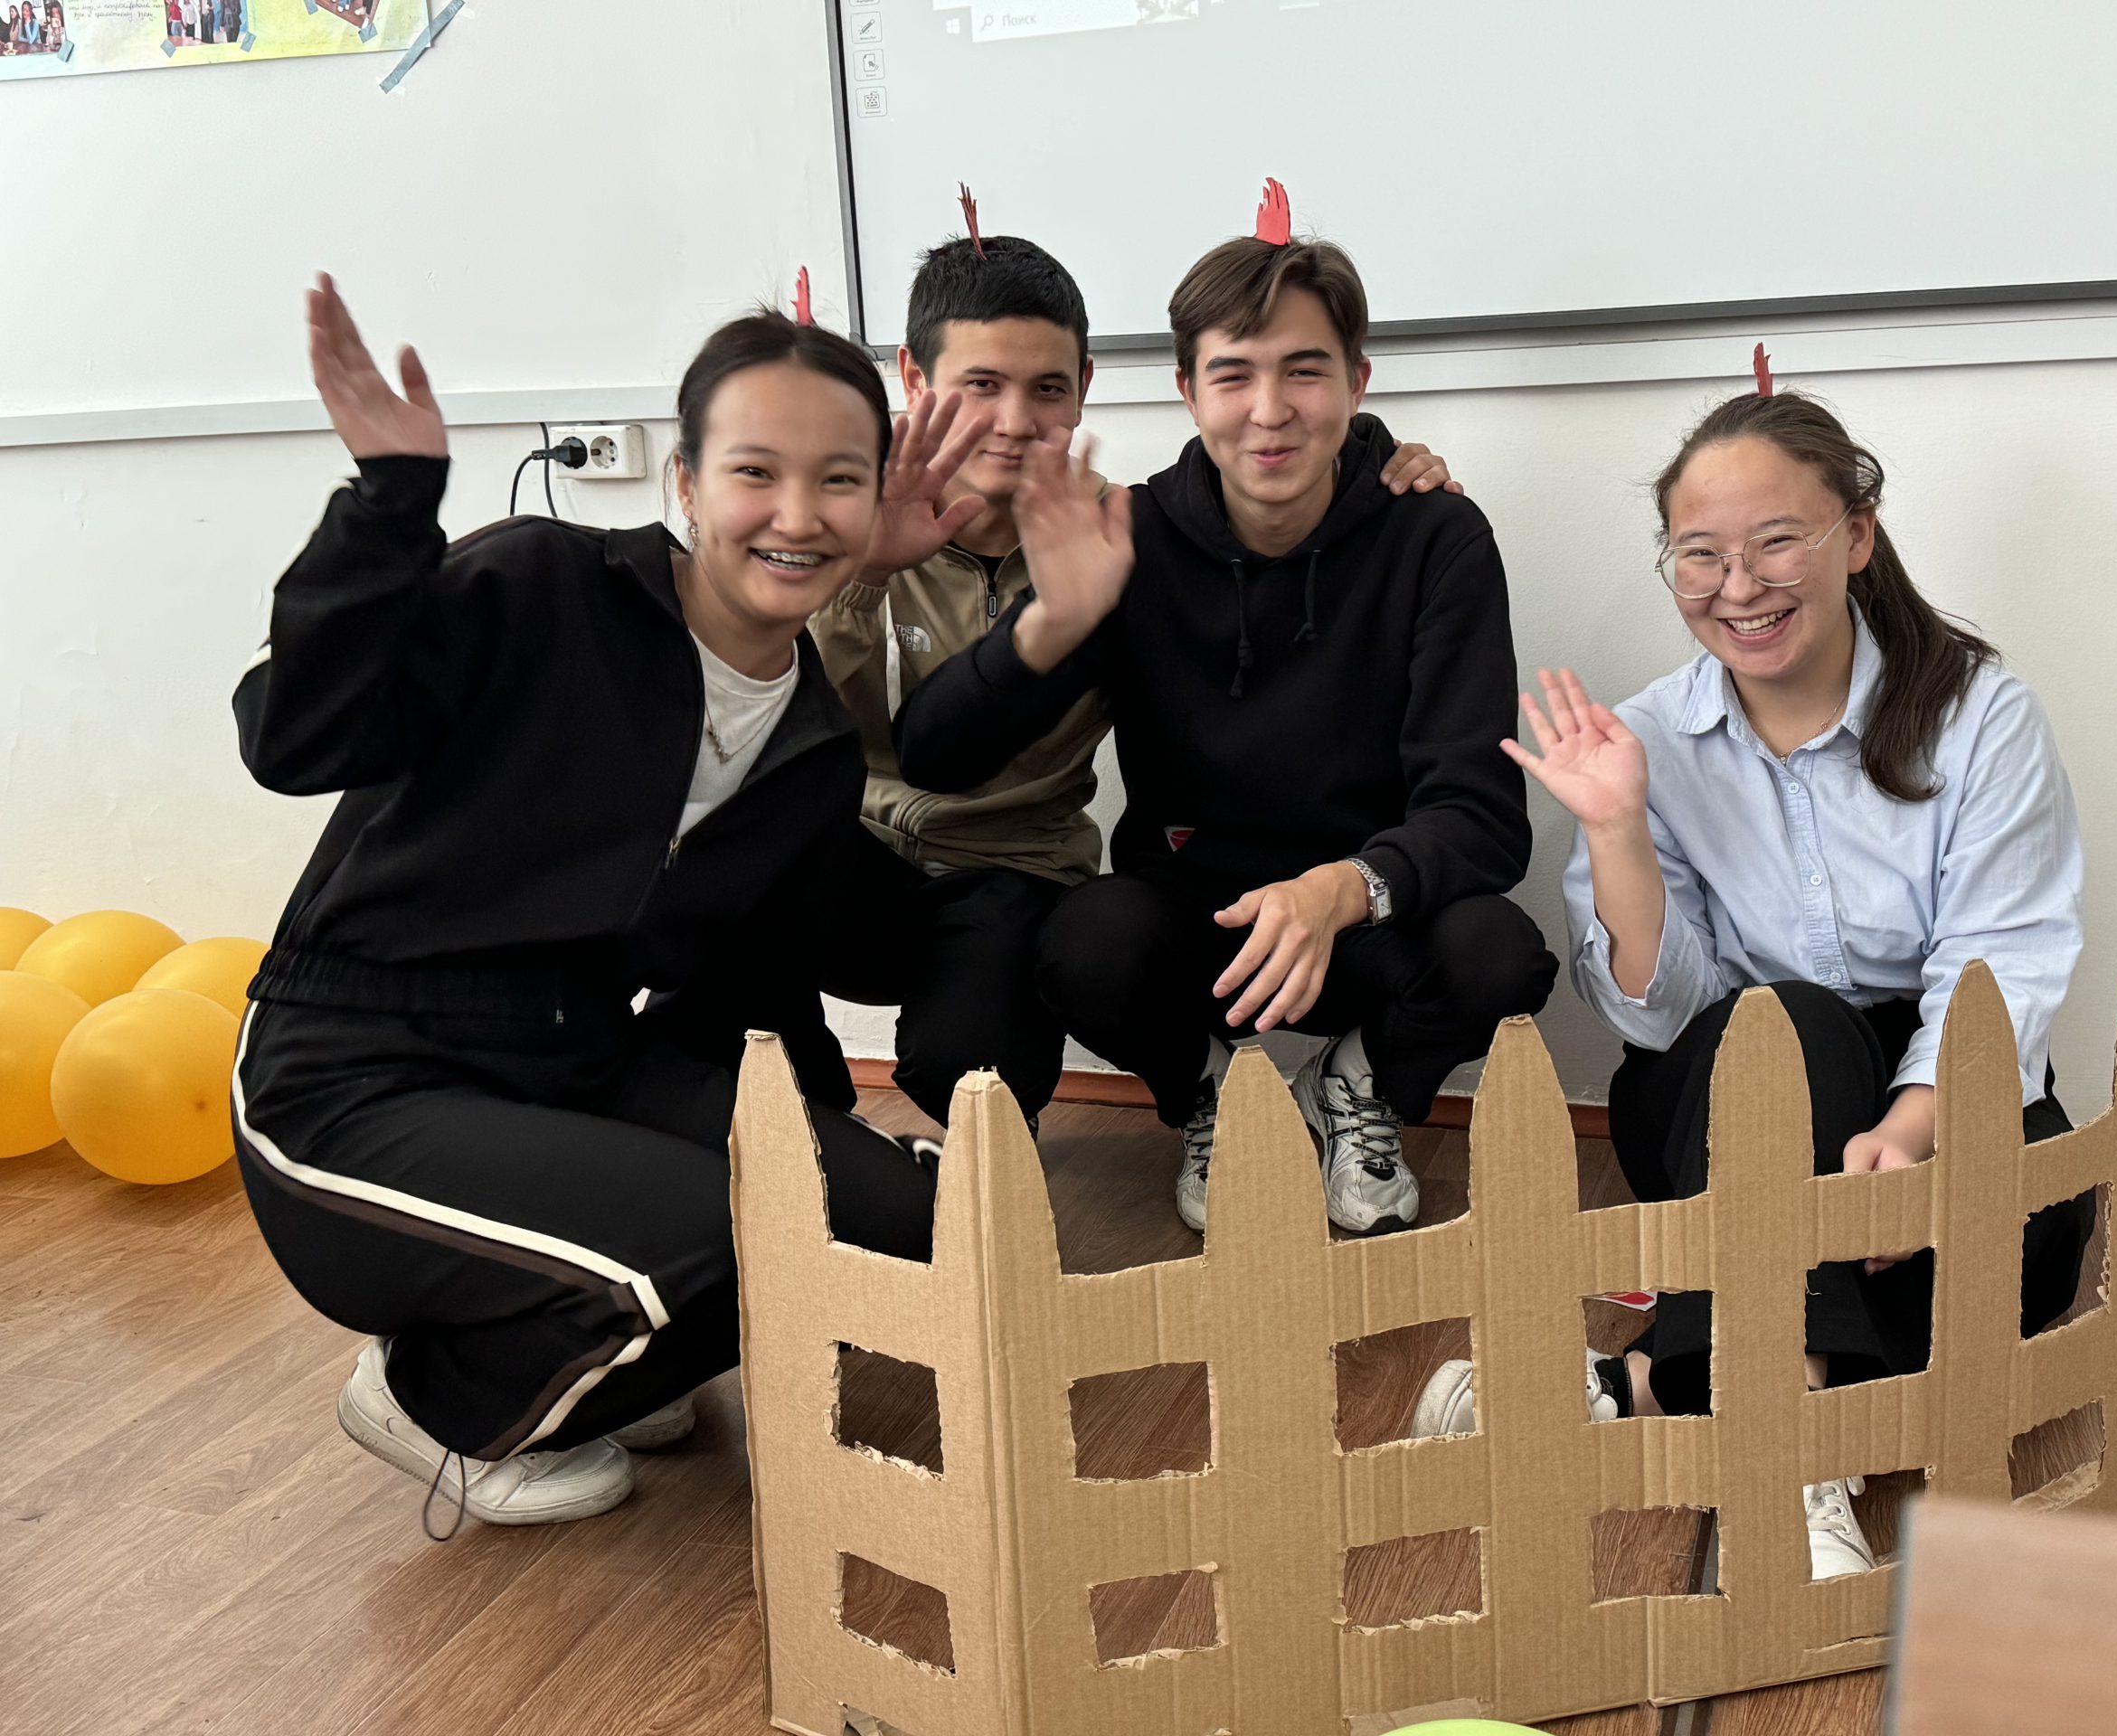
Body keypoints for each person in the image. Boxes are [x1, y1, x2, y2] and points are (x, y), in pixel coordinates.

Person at [230, 274, 985, 1533]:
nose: (797, 513)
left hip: (571, 1058)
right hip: (350, 1076)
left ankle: (598, 1333)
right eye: (755, 473)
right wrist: (389, 503)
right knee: (716, 1235)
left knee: (885, 1215)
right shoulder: (543, 584)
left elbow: (746, 981)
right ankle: (435, 1401)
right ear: (684, 482)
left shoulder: (809, 738)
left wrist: (824, 1138)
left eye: (839, 481)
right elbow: (293, 736)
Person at [1413, 387, 2092, 1581]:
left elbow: (2004, 959)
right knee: (1790, 1026)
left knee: (2026, 1254)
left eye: (1779, 541)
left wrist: (1911, 1134)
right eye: (1701, 555)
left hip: (1933, 1094)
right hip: (1722, 1099)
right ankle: (1786, 1470)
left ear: (1855, 535)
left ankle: (1629, 1386)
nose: (1740, 587)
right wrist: (1616, 830)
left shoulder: (1980, 717)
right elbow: (1660, 1015)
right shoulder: (1647, 738)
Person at [894, 223, 1555, 1239]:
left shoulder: (1437, 536)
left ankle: (1354, 1087)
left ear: (1357, 381)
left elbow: (1481, 815)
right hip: (1199, 929)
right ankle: (1209, 1095)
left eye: (1305, 371)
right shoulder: (1130, 536)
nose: (1269, 410)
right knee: (1083, 943)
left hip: (1367, 918)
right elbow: (937, 755)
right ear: (1187, 390)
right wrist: (1053, 620)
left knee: (1499, 955)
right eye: (1233, 374)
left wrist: (1344, 888)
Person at [805, 226, 1457, 1131]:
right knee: (734, 877)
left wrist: (1367, 462)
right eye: (980, 384)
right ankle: (776, 1120)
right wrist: (861, 576)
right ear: (913, 379)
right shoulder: (834, 504)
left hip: (1015, 868)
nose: (1013, 421)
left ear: (1084, 389)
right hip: (851, 845)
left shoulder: (1118, 535)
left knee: (974, 1069)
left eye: (1047, 389)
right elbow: (788, 738)